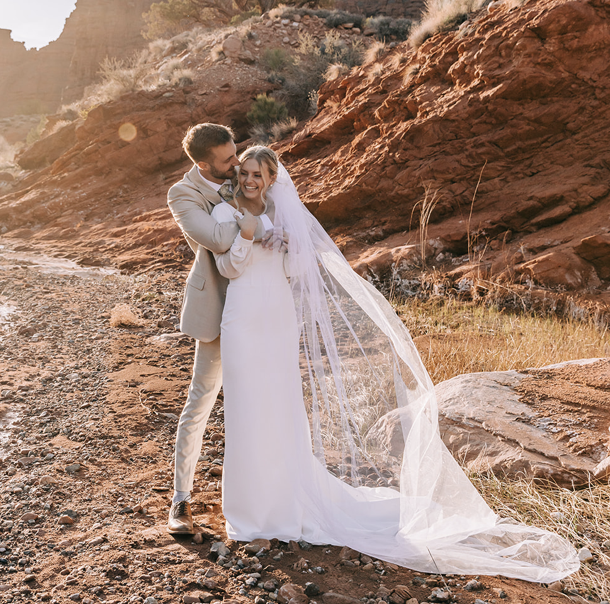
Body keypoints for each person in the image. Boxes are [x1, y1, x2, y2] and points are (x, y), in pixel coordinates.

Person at [209, 144, 579, 583]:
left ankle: (285, 502)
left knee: (281, 408)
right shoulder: (225, 214)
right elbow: (229, 268)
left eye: (259, 175)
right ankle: (251, 510)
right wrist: (246, 235)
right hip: (243, 318)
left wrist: (289, 245)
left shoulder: (279, 217)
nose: (250, 181)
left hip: (278, 318)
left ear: (272, 180)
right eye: (245, 173)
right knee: (246, 409)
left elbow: (295, 271)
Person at [166, 123, 277, 535]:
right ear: (203, 163)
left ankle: (268, 494)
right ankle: (180, 500)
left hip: (261, 306)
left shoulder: (244, 176)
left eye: (236, 153)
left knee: (265, 401)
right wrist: (258, 222)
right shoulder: (183, 194)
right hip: (219, 308)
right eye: (228, 160)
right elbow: (215, 238)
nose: (236, 164)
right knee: (200, 403)